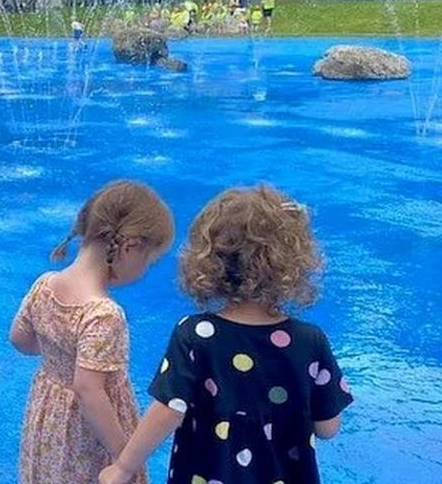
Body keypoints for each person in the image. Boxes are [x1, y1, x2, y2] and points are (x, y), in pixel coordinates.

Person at [100, 185, 353, 484]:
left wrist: (124, 468)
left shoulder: (195, 335)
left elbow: (169, 410)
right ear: (292, 261)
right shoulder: (310, 341)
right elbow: (328, 428)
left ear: (209, 260)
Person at [11, 180, 175, 484]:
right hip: (86, 436)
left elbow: (19, 339)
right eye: (149, 261)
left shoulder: (45, 284)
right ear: (131, 247)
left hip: (48, 420)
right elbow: (89, 393)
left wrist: (58, 353)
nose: (146, 269)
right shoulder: (103, 314)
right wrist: (123, 458)